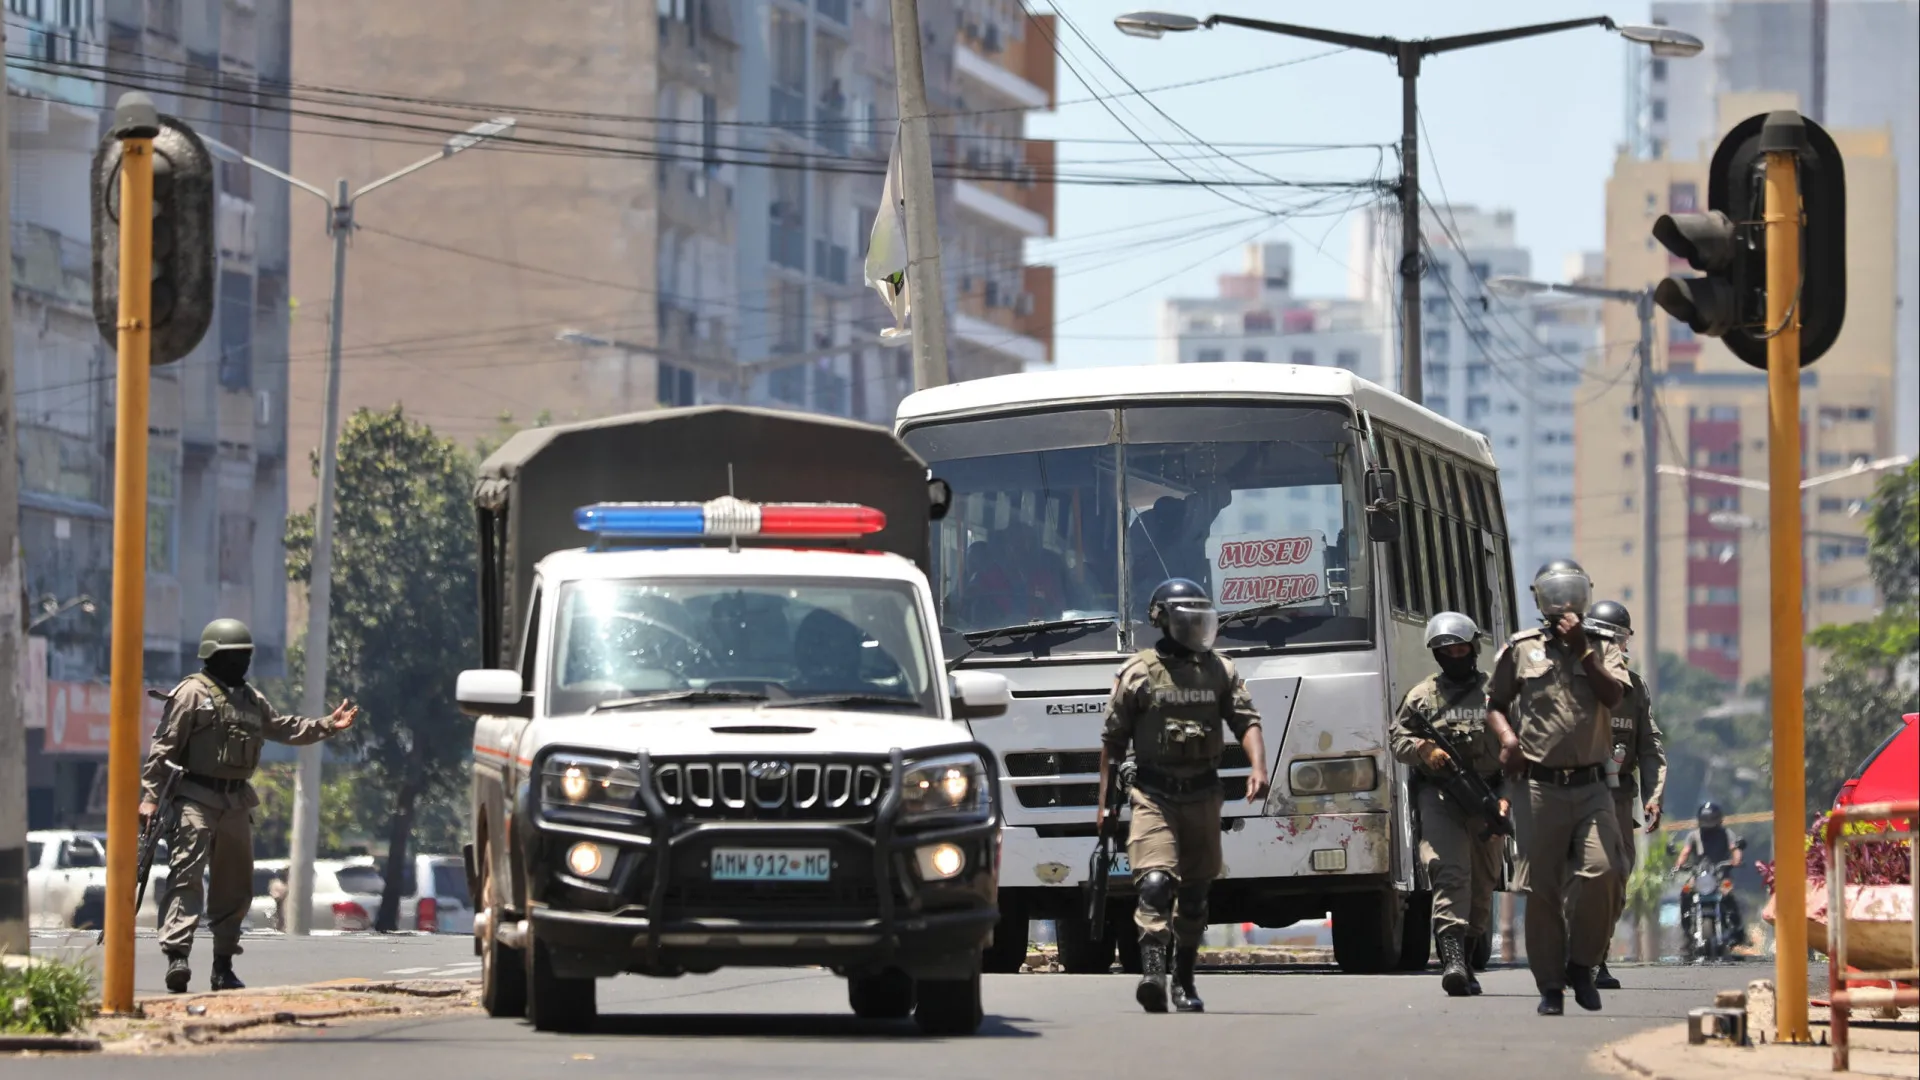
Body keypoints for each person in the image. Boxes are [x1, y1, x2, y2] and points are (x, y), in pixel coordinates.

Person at [140, 619, 358, 993]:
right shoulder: (192, 694)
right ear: (214, 656)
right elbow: (164, 748)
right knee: (186, 875)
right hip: (195, 797)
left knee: (235, 886)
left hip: (237, 800)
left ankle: (222, 966)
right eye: (234, 655)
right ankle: (178, 955)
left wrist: (326, 725)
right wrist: (149, 797)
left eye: (246, 656)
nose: (241, 662)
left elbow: (283, 727)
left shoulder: (251, 699)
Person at [1098, 579, 1269, 1014]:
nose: (1194, 628)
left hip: (1203, 794)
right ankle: (1153, 973)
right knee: (1155, 883)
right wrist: (1104, 804)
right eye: (1184, 620)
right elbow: (1113, 742)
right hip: (1154, 793)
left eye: (1199, 619)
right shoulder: (1138, 672)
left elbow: (1247, 722)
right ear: (1162, 621)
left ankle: (1184, 979)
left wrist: (1258, 767)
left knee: (1194, 895)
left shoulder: (1220, 671)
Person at [1485, 559, 1628, 1016]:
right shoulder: (1520, 649)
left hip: (1591, 787)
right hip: (1538, 789)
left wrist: (1583, 651)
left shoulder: (1604, 646)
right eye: (1555, 595)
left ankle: (1582, 964)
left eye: (1572, 594)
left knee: (1603, 872)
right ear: (1541, 599)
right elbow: (1495, 704)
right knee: (1541, 889)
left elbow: (1614, 696)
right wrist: (1507, 739)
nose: (1564, 604)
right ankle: (1550, 987)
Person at [1390, 611, 1506, 998]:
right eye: (1445, 650)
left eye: (1460, 647)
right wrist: (1424, 749)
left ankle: (1469, 956)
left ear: (1473, 648)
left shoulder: (1498, 694)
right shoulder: (1422, 696)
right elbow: (1397, 738)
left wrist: (1509, 798)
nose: (1454, 654)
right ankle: (1452, 961)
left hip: (1489, 797)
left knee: (1483, 882)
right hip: (1440, 796)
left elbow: (1522, 746)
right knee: (1449, 871)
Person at [1579, 600, 1667, 990]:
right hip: (1570, 795)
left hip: (1616, 797)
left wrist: (1654, 795)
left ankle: (1596, 957)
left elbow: (1649, 747)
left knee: (1614, 877)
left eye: (1619, 639)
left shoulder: (1634, 690)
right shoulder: (1569, 682)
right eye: (1604, 639)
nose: (1612, 647)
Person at [1674, 800, 1747, 949]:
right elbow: (1685, 851)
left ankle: (1737, 931)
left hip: (1720, 875)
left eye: (1711, 819)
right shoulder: (1693, 835)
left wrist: (1737, 860)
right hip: (1699, 876)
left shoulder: (1726, 833)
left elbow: (1734, 848)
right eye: (1705, 819)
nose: (1708, 823)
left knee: (1729, 893)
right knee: (1685, 892)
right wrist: (1679, 864)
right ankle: (1687, 930)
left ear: (1718, 819)